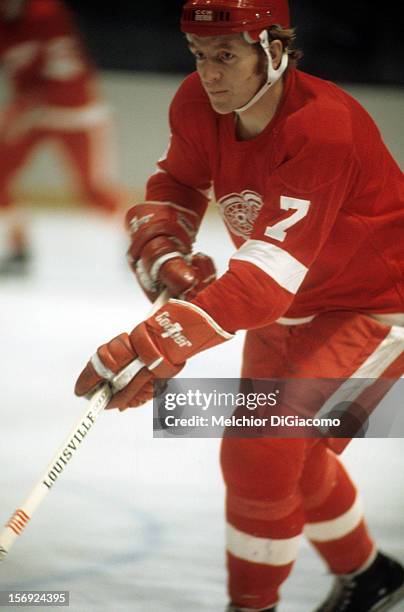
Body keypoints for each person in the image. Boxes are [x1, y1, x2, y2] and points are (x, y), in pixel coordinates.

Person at [75, 0, 404, 610]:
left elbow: (263, 280)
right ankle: (371, 575)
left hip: (375, 309)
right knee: (288, 460)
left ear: (274, 50)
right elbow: (178, 181)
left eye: (226, 55)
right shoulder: (197, 104)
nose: (209, 73)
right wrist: (165, 248)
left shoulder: (323, 127)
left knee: (261, 448)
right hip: (286, 307)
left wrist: (151, 345)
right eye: (200, 55)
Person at [0, 0, 125, 275]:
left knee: (95, 194)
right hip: (37, 110)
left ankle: (147, 244)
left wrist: (19, 109)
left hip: (74, 111)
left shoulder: (44, 12)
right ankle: (19, 247)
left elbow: (61, 74)